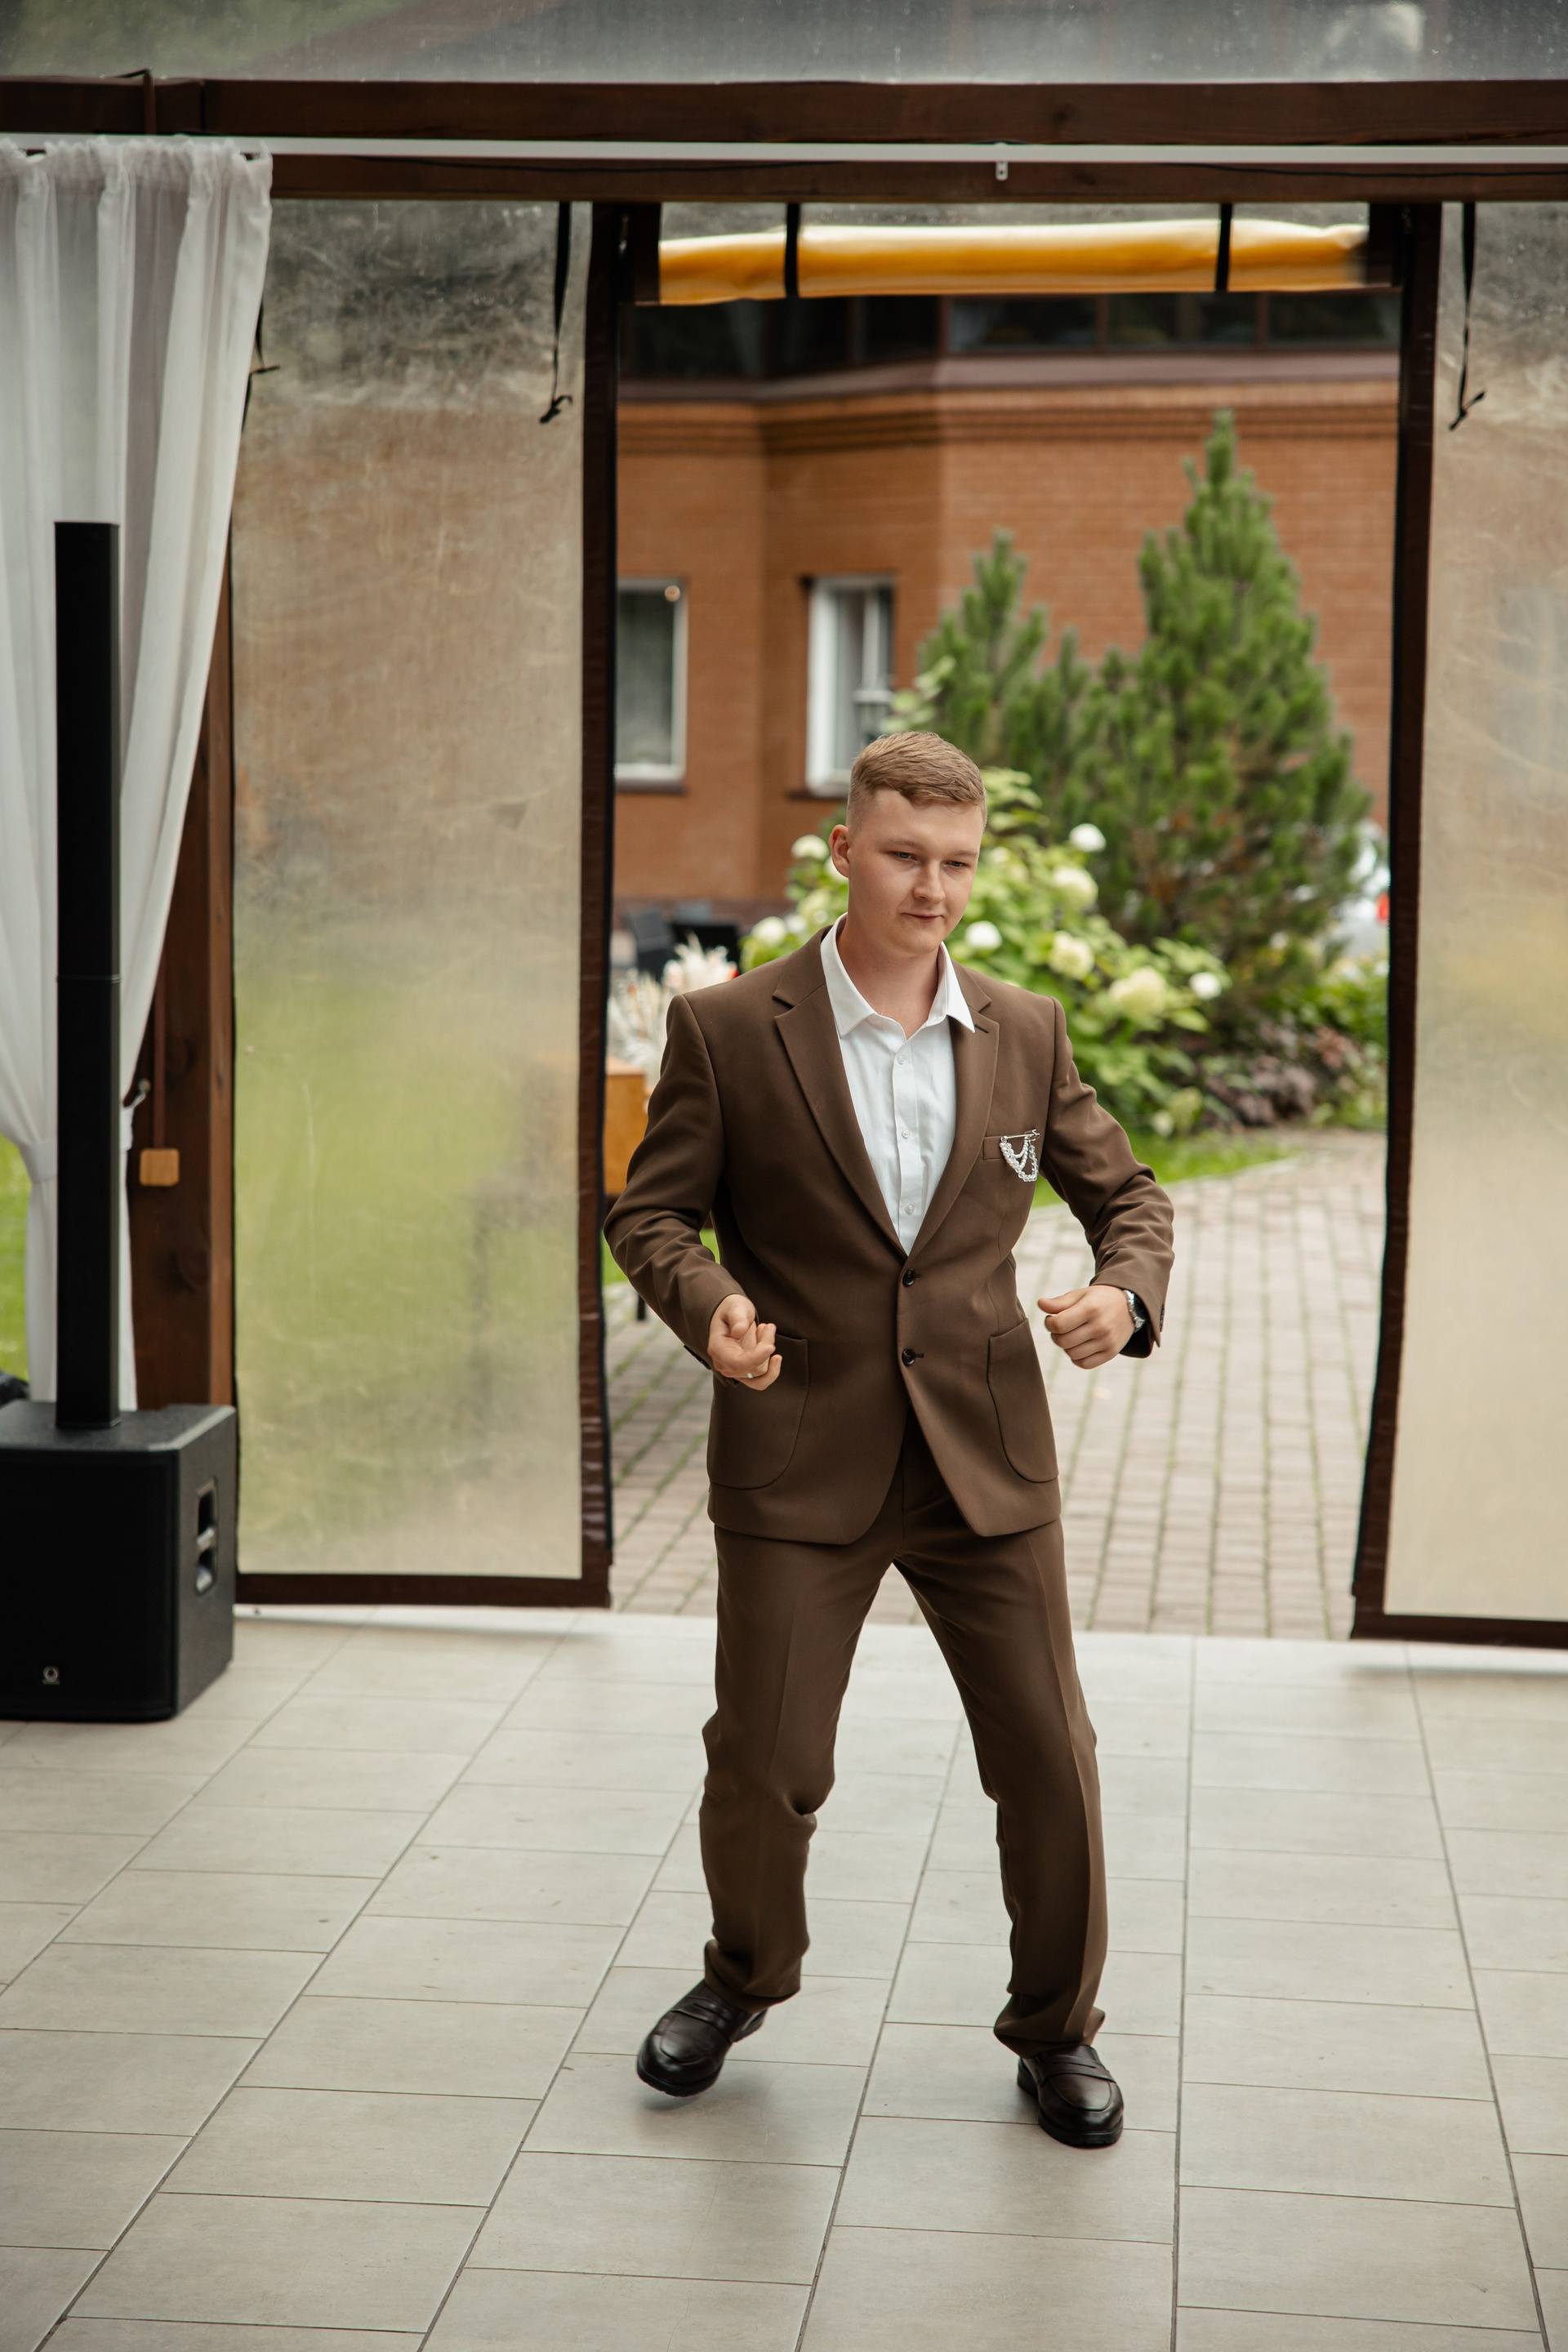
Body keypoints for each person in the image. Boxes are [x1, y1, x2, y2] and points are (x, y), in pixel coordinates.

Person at [604, 730, 1174, 2148]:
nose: (933, 888)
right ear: (844, 850)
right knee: (765, 1761)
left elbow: (1132, 1198)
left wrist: (1123, 1295)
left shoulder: (1026, 1030)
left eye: (958, 863)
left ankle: (1057, 2031)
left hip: (986, 1456)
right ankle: (743, 1978)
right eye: (907, 856)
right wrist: (712, 1307)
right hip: (800, 1450)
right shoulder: (731, 1030)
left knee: (1050, 1757)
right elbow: (650, 1213)